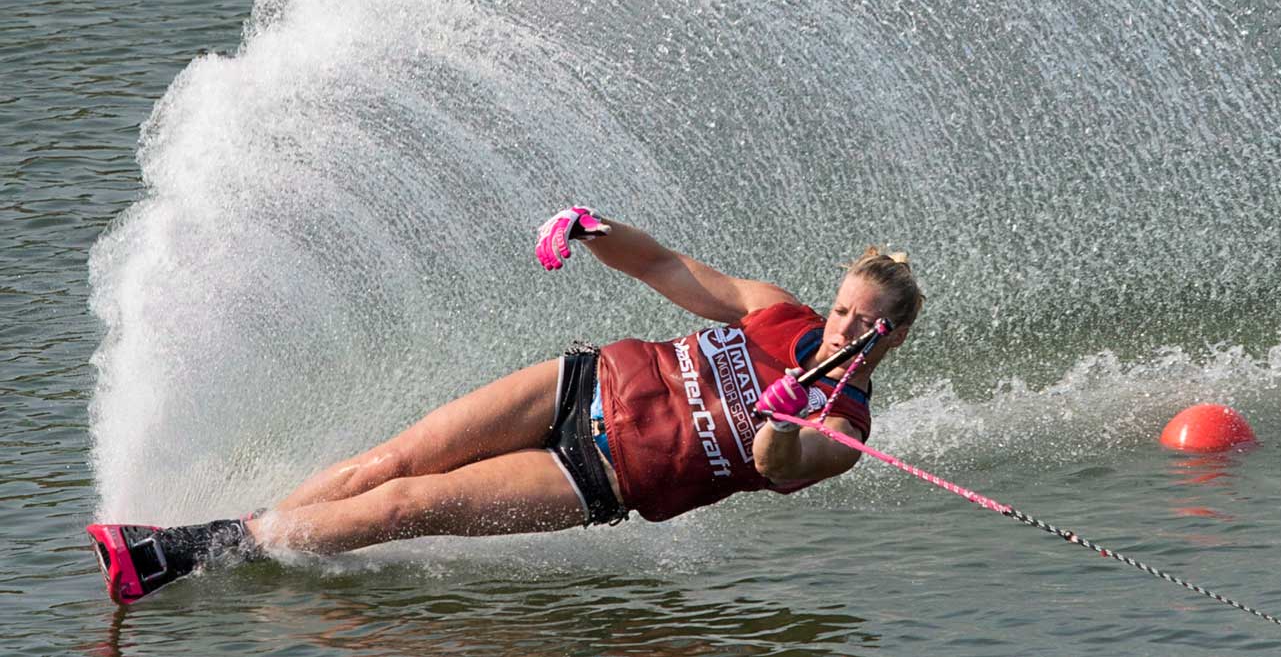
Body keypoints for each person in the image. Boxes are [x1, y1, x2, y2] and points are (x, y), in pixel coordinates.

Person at [87, 206, 924, 603]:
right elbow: (669, 268)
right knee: (388, 463)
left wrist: (782, 420)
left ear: (891, 341)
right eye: (845, 308)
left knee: (401, 508)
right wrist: (594, 230)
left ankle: (189, 548)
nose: (847, 326)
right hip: (580, 383)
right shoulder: (778, 314)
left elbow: (786, 463)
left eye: (868, 325)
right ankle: (235, 544)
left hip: (596, 478)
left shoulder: (846, 430)